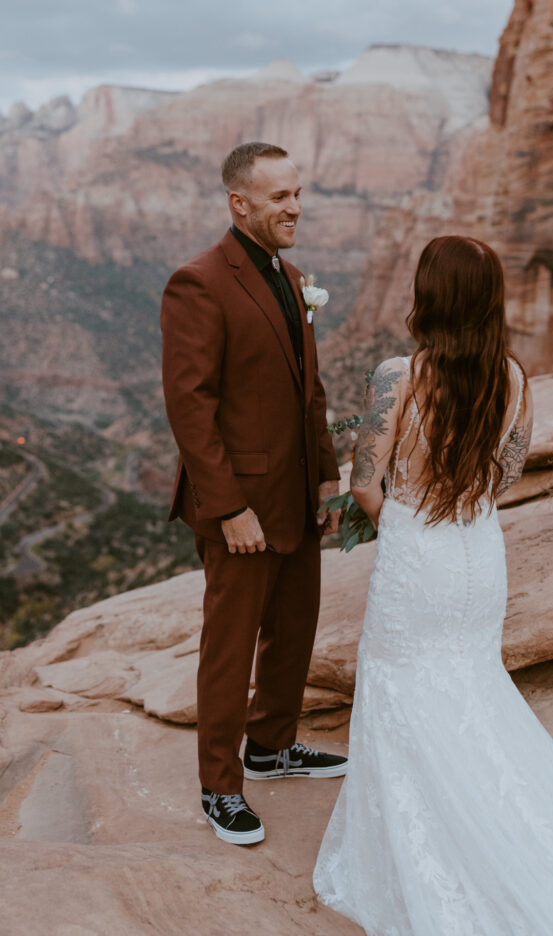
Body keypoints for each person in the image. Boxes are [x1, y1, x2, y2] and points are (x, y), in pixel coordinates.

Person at [314, 235, 553, 933]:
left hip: (416, 554)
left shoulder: (399, 373)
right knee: (470, 687)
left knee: (403, 690)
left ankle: (429, 845)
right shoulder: (513, 377)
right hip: (477, 551)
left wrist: (406, 512)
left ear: (427, 296)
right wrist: (460, 506)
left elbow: (362, 481)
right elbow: (506, 474)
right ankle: (504, 824)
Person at [161, 142, 347, 847]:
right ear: (239, 203)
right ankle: (219, 787)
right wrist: (229, 508)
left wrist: (325, 478)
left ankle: (271, 747)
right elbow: (190, 406)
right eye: (279, 198)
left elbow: (311, 392)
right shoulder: (198, 282)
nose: (295, 207)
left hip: (298, 495)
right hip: (240, 504)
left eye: (298, 193)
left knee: (294, 630)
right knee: (230, 647)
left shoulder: (292, 276)